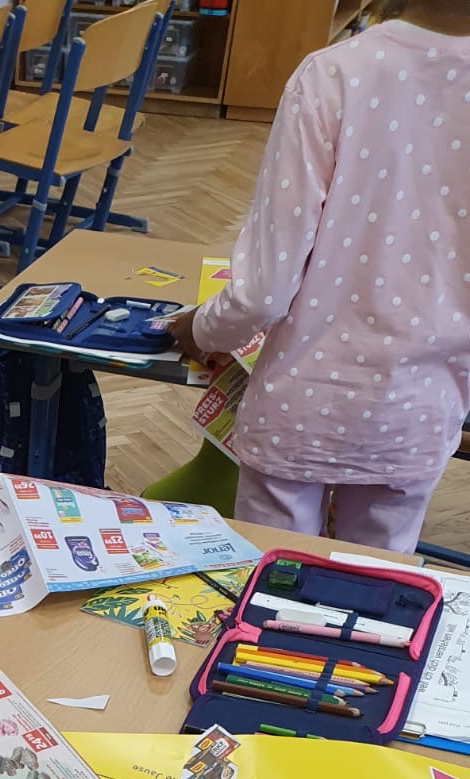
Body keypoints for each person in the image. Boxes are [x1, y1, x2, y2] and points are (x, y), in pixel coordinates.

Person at [171, 0, 470, 551]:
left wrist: (203, 329)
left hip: (301, 402)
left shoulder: (334, 73)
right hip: (421, 410)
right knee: (374, 585)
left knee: (272, 578)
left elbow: (263, 291)